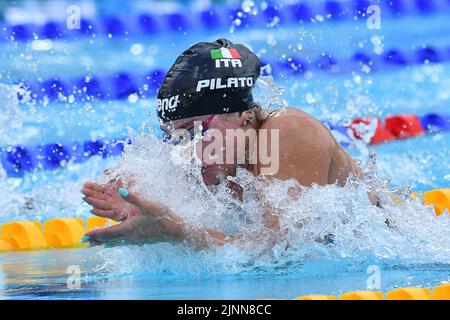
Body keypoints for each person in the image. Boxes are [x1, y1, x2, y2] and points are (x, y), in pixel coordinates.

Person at [81, 39, 371, 248]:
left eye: (195, 132)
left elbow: (286, 253)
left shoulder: (287, 131)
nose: (185, 152)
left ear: (242, 118)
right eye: (174, 138)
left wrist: (177, 232)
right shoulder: (212, 162)